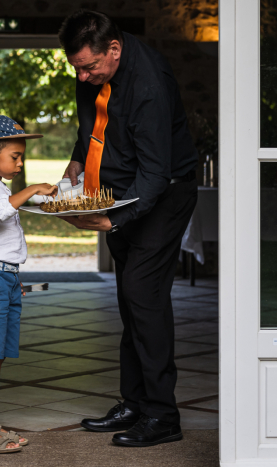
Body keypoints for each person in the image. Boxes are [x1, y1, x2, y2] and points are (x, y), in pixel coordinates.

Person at [57, 10, 198, 447]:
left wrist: (112, 219)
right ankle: (134, 403)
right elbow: (91, 126)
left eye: (89, 67)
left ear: (113, 50)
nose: (82, 77)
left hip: (163, 197)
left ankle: (162, 416)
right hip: (120, 195)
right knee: (129, 297)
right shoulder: (93, 73)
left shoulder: (149, 84)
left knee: (143, 293)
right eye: (76, 67)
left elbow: (156, 175)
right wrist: (77, 162)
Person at [0, 115, 56, 454]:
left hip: (3, 277)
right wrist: (31, 190)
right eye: (14, 157)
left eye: (21, 156)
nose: (20, 162)